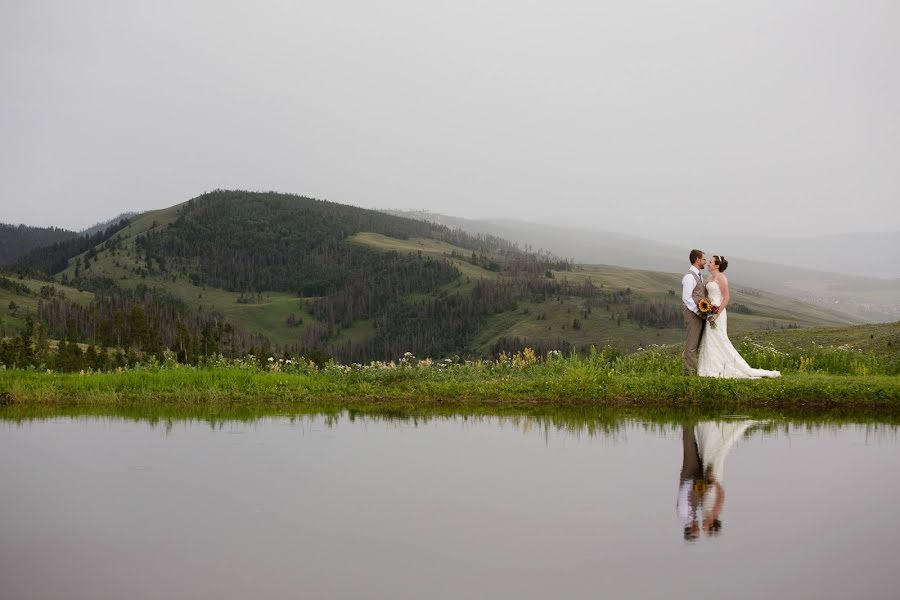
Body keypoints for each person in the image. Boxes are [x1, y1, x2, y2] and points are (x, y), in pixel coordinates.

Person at [697, 256, 781, 379]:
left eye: (710, 262)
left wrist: (716, 313)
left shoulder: (722, 278)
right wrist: (706, 309)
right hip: (709, 311)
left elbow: (726, 297)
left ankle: (729, 366)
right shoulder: (708, 278)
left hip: (718, 312)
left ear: (717, 265)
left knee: (719, 338)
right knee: (710, 338)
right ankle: (711, 366)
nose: (708, 264)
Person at [680, 249, 707, 375]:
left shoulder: (699, 276)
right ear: (697, 260)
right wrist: (698, 311)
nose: (705, 262)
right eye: (703, 259)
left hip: (699, 315)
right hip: (693, 315)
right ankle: (688, 373)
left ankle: (693, 370)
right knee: (691, 345)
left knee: (696, 344)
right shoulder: (689, 277)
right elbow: (686, 298)